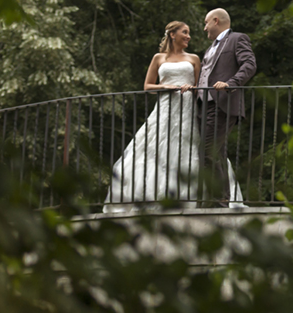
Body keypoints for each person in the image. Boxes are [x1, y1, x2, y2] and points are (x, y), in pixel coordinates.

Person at [103, 21, 243, 211]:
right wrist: (166, 87)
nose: (189, 36)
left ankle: (201, 197)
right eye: (185, 32)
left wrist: (192, 88)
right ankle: (152, 198)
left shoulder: (194, 59)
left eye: (189, 33)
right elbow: (147, 87)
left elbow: (200, 87)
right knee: (156, 147)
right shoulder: (158, 58)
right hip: (165, 107)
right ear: (172, 34)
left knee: (193, 147)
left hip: (188, 108)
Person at [197, 8, 256, 207]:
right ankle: (221, 198)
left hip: (222, 103)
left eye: (206, 23)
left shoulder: (237, 39)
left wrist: (231, 83)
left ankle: (218, 201)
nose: (204, 28)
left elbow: (249, 64)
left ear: (215, 21)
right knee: (217, 153)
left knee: (208, 151)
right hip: (204, 105)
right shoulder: (210, 48)